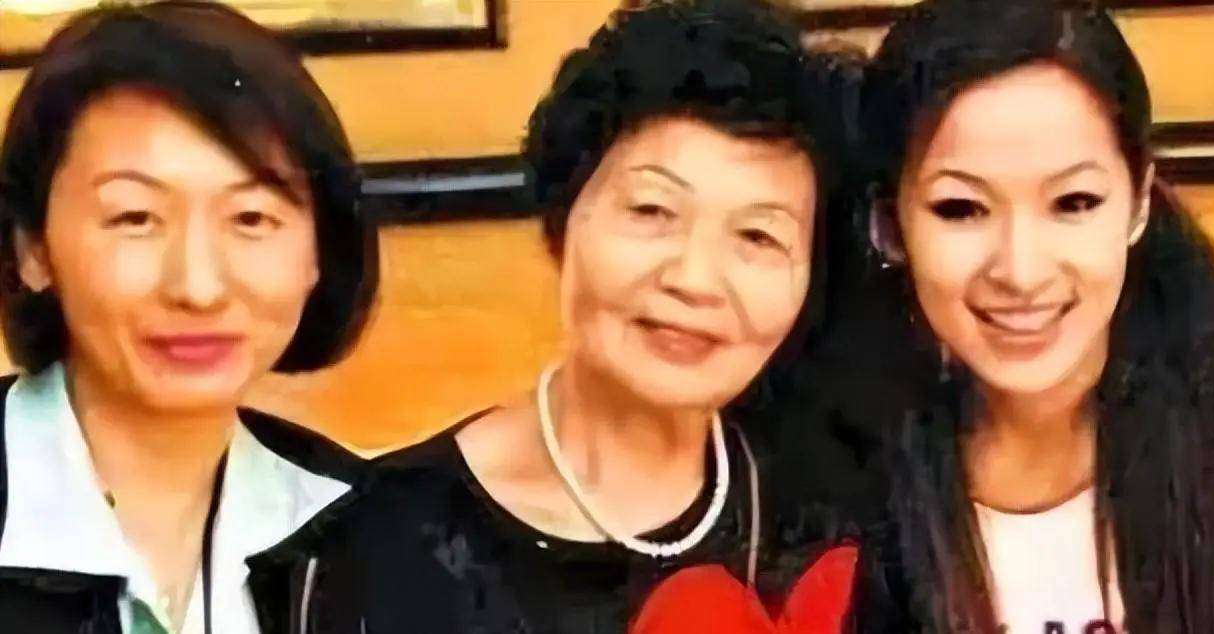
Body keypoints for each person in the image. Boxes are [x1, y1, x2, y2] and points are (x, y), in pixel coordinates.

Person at [248, 1, 863, 631]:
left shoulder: (843, 515)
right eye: (651, 211)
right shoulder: (374, 550)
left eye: (759, 237)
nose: (694, 279)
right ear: (561, 222)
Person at [832, 0, 1214, 631]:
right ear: (889, 226)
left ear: (1139, 204)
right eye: (961, 208)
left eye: (1074, 202)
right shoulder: (829, 479)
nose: (1021, 271)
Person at [0, 3, 378, 632]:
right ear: (32, 250)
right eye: (135, 218)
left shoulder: (373, 530)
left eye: (251, 219)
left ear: (319, 252)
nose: (198, 288)